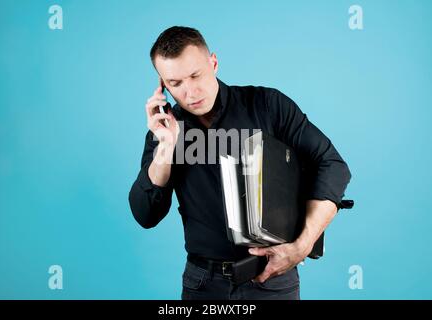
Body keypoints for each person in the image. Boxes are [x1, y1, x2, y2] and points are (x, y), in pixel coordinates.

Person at [129, 26, 351, 300]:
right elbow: (145, 215)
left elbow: (333, 165)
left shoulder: (268, 105)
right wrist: (165, 148)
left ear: (213, 62)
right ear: (163, 86)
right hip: (202, 284)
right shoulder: (165, 131)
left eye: (196, 75)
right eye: (175, 83)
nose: (190, 92)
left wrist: (302, 246)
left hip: (272, 277)